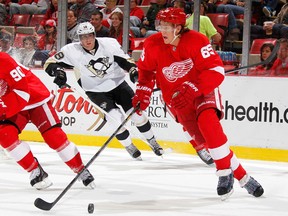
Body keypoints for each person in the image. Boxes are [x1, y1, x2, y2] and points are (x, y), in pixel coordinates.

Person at [132, 7, 264, 199]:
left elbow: (215, 71)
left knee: (208, 124)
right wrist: (143, 92)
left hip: (202, 91)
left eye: (167, 26)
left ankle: (224, 172)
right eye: (160, 25)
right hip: (176, 101)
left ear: (178, 27)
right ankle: (243, 178)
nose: (162, 30)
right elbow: (146, 72)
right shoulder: (153, 43)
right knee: (207, 143)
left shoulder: (196, 40)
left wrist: (194, 87)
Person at [43, 22, 164, 160]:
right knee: (115, 120)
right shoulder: (71, 50)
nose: (87, 40)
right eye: (82, 37)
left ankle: (152, 141)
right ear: (78, 38)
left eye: (89, 36)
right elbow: (50, 63)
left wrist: (132, 71)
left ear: (94, 35)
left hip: (118, 84)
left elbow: (124, 60)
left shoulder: (109, 44)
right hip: (95, 91)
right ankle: (129, 145)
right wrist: (58, 72)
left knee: (137, 114)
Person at [0, 52, 95, 190]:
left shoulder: (2, 59)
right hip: (8, 102)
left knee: (54, 137)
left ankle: (79, 168)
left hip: (33, 96)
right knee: (4, 135)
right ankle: (35, 171)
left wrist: (3, 110)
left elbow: (22, 92)